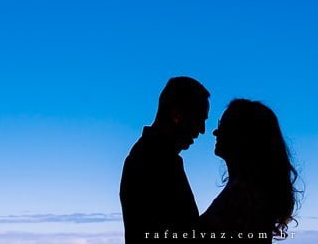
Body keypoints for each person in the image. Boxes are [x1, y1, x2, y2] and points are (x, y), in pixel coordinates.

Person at [120, 77, 210, 243]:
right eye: (199, 119)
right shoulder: (156, 160)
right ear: (176, 115)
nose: (202, 130)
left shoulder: (148, 155)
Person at [199, 99, 299, 242]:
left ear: (243, 135)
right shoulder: (247, 191)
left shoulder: (246, 196)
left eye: (224, 126)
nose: (215, 132)